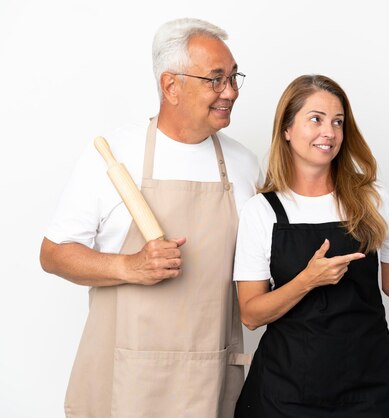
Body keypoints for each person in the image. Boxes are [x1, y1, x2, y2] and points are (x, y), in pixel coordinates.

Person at [39, 18, 261, 418]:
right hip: (126, 381)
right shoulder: (114, 155)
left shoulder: (244, 164)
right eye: (215, 79)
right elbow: (53, 254)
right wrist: (129, 265)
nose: (230, 91)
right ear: (170, 85)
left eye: (233, 77)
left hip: (207, 377)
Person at [232, 74, 389, 417]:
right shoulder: (261, 212)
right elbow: (251, 314)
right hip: (286, 389)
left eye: (338, 122)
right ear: (287, 129)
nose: (330, 132)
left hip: (369, 387)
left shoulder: (372, 199)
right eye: (315, 119)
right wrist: (308, 280)